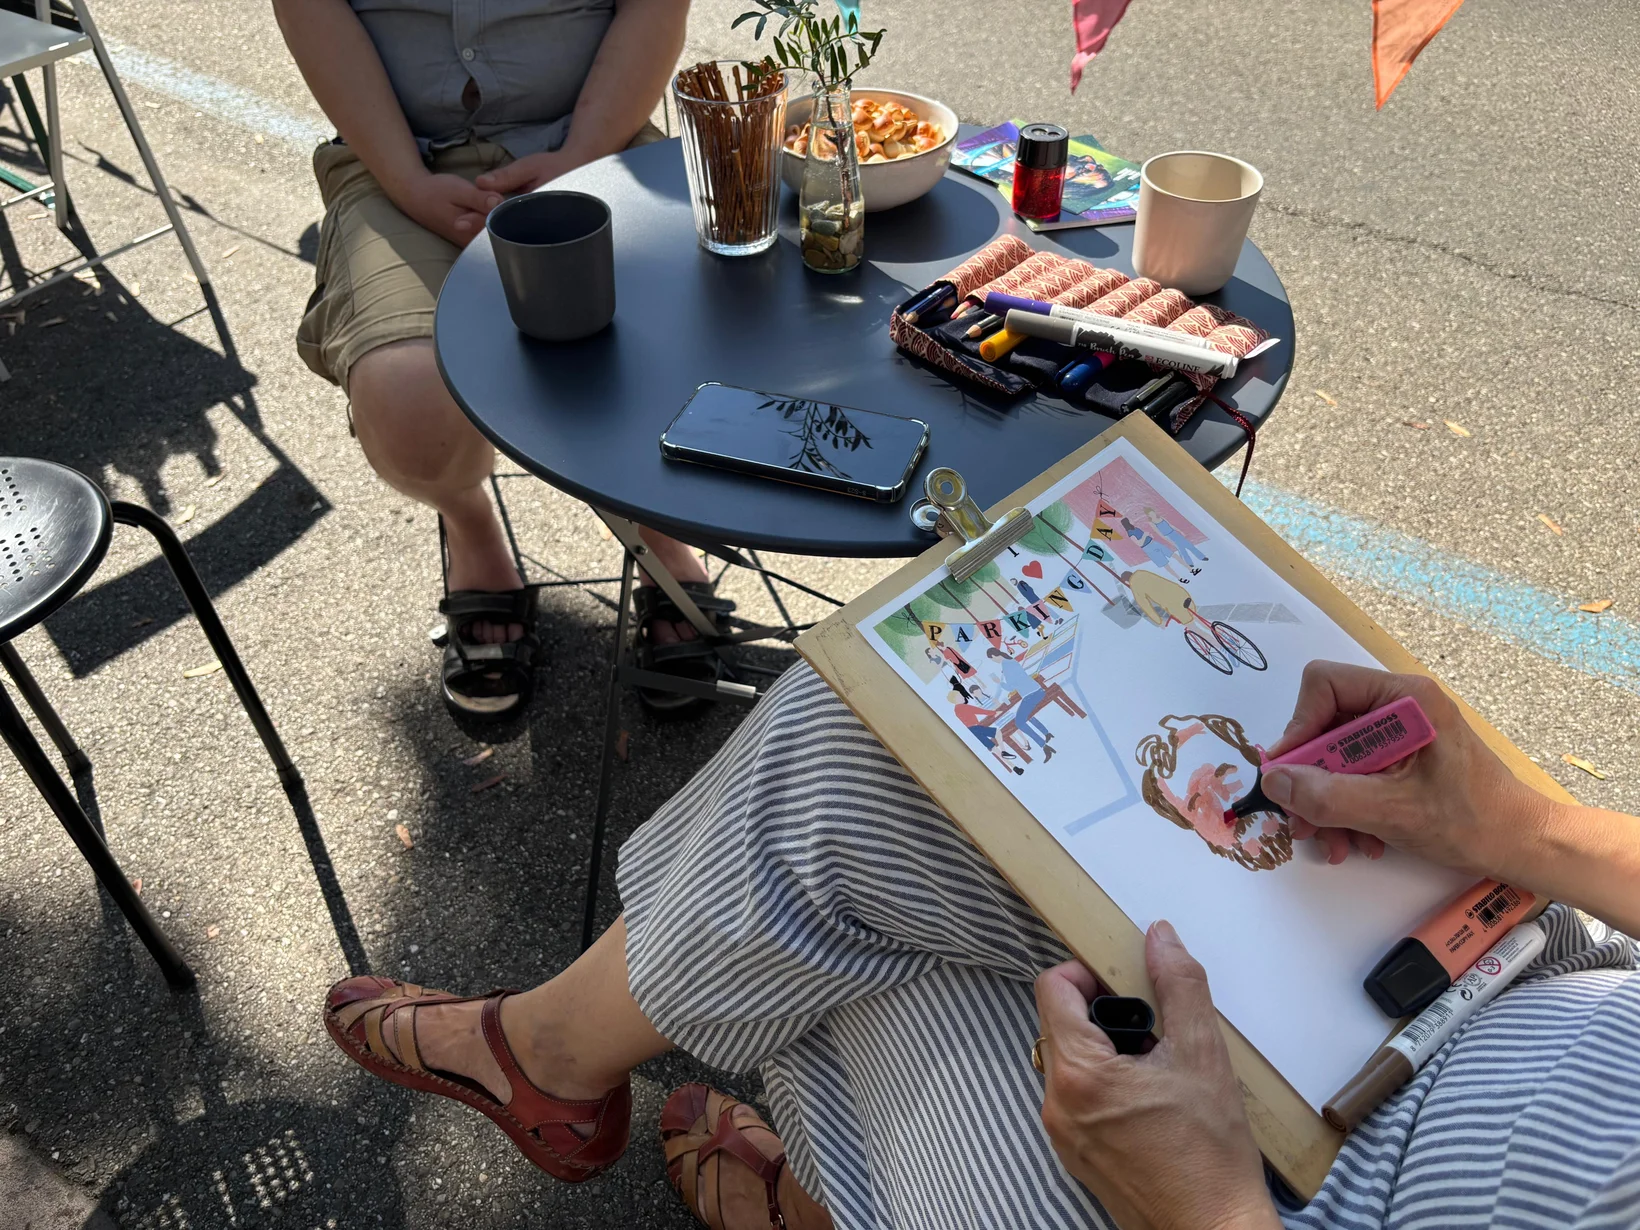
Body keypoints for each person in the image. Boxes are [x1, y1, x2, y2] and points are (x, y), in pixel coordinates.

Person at [320, 660, 1640, 1229]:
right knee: (878, 751)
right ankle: (553, 1054)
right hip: (1503, 954)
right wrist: (1521, 822)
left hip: (1312, 1201)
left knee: (869, 969)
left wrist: (1205, 1207)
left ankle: (786, 1174)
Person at [275, 0, 712, 720]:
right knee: (406, 397)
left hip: (597, 135)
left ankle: (658, 534)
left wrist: (583, 157)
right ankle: (469, 522)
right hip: (397, 154)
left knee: (639, 355)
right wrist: (406, 183)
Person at [985, 645, 1055, 757]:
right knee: (1026, 713)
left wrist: (999, 682)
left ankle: (1044, 746)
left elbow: (1011, 687)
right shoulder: (1010, 661)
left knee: (1019, 722)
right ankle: (1046, 733)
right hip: (1037, 690)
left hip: (1031, 695)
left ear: (993, 656)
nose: (993, 661)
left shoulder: (1006, 665)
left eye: (992, 659)